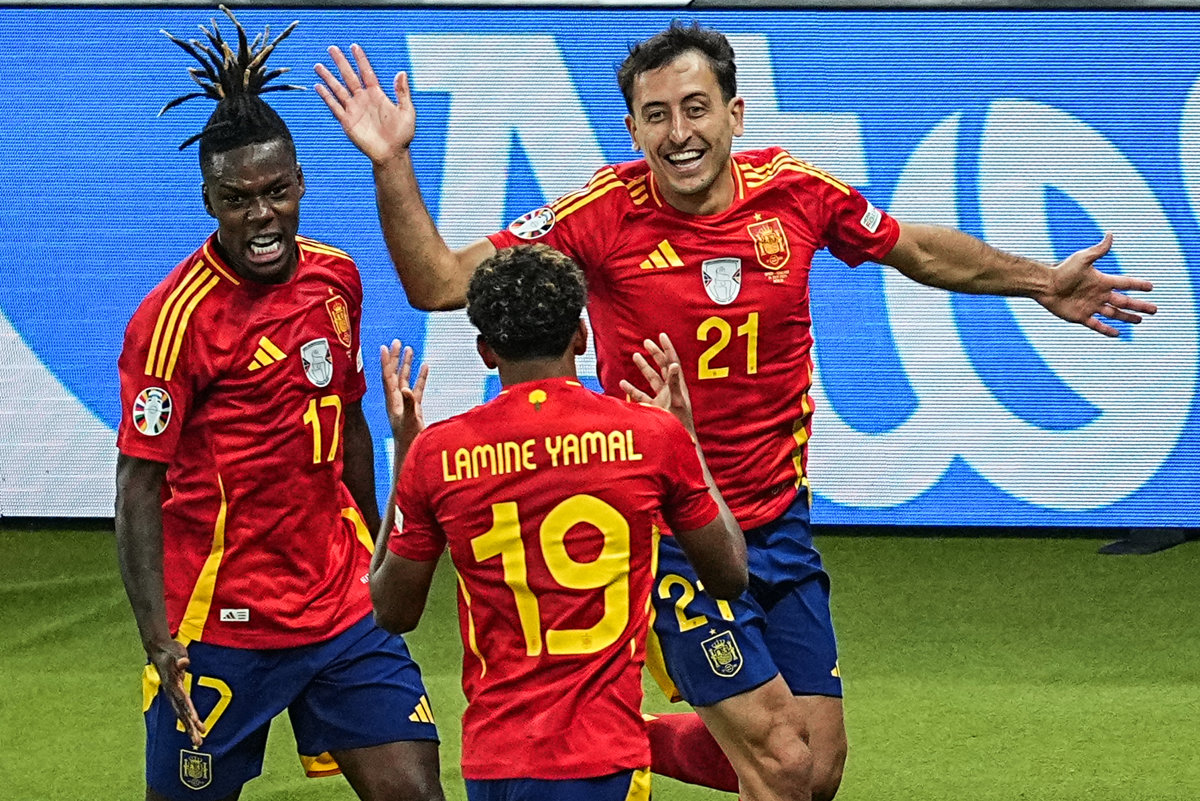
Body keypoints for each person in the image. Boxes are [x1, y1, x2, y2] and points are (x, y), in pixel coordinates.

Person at [314, 22, 1157, 801]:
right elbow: (439, 281)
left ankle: (622, 735)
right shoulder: (600, 213)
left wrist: (1042, 280)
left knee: (817, 767)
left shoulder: (796, 192)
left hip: (778, 519)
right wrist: (391, 161)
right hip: (671, 528)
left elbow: (916, 248)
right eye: (656, 116)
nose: (678, 132)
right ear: (633, 129)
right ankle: (606, 739)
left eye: (695, 108)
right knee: (781, 764)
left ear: (734, 113)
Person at [114, 9, 443, 801]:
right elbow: (137, 487)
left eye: (274, 192)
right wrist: (158, 638)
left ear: (300, 184)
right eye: (237, 199)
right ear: (209, 200)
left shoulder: (336, 278)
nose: (261, 215)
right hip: (219, 622)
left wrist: (377, 550)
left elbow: (348, 422)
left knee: (416, 791)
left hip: (340, 602)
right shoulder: (173, 320)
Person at [368, 243, 749, 801]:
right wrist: (688, 439)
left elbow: (391, 612)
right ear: (582, 336)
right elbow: (731, 575)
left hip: (498, 761)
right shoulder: (652, 437)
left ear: (485, 351)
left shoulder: (439, 454)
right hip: (605, 757)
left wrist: (406, 455)